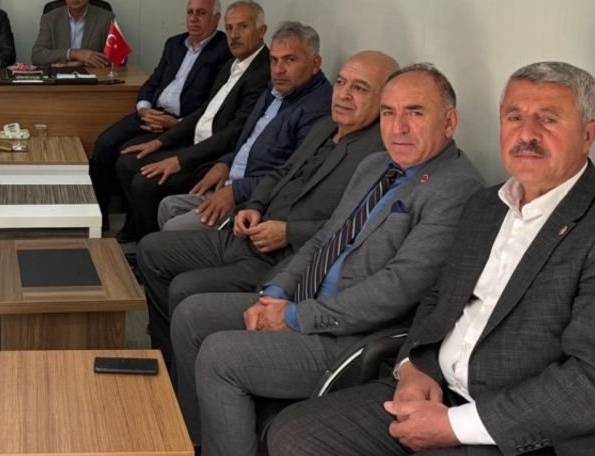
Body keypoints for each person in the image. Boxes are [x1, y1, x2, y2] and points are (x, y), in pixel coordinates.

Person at [267, 62, 595, 456]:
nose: (527, 133)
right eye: (514, 117)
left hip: (531, 437)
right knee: (292, 433)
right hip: (438, 393)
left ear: (589, 134)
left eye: (548, 119)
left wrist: (453, 426)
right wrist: (412, 367)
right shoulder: (487, 206)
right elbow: (438, 300)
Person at [173, 63, 484, 455]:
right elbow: (325, 238)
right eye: (389, 113)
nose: (398, 127)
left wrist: (292, 317)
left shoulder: (457, 189)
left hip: (350, 336)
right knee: (191, 315)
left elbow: (397, 289)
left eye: (415, 113)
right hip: (304, 301)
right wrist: (275, 294)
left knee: (221, 357)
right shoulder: (375, 165)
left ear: (450, 122)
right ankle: (191, 441)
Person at [136, 50, 396, 364]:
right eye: (341, 82)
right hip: (247, 234)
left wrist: (288, 232)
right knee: (150, 249)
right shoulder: (326, 126)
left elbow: (356, 229)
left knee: (184, 289)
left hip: (280, 260)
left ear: (385, 99)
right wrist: (255, 205)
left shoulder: (379, 155)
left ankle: (177, 367)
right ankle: (166, 353)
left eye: (360, 88)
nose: (343, 94)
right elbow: (281, 172)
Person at [138, 21, 334, 236]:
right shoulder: (275, 89)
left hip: (255, 202)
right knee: (168, 206)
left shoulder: (317, 109)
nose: (278, 70)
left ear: (315, 63)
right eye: (274, 60)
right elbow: (247, 139)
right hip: (232, 179)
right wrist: (225, 162)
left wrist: (236, 192)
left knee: (173, 228)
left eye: (290, 60)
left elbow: (293, 176)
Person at [114, 0, 270, 240]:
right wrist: (160, 142)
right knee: (127, 162)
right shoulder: (231, 63)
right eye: (229, 28)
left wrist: (179, 160)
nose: (234, 35)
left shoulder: (263, 72)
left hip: (214, 157)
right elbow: (204, 111)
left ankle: (152, 245)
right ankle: (141, 233)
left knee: (144, 183)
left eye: (243, 27)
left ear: (262, 30)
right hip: (193, 143)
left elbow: (234, 132)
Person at [87, 0, 230, 230]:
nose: (194, 18)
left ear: (216, 19)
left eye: (201, 13)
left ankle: (134, 221)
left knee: (127, 154)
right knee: (104, 143)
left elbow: (212, 104)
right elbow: (153, 81)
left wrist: (177, 123)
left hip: (179, 125)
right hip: (151, 113)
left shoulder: (224, 52)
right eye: (190, 12)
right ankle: (98, 216)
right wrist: (144, 108)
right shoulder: (175, 44)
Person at [30, 0, 115, 68]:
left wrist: (80, 63)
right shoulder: (50, 19)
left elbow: (118, 57)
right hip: (60, 76)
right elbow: (37, 56)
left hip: (93, 75)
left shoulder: (106, 18)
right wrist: (73, 53)